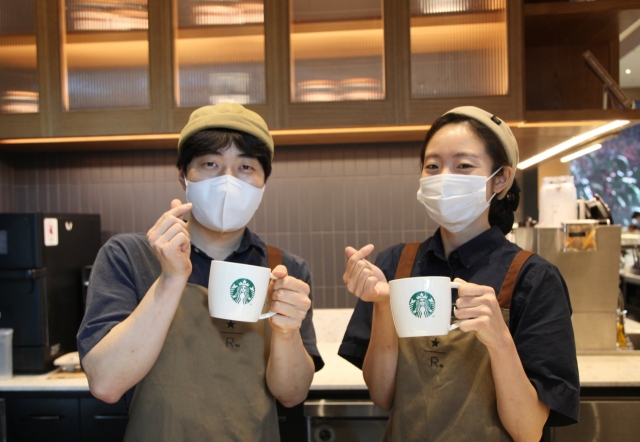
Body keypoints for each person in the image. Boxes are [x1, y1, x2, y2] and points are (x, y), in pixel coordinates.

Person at [77, 103, 323, 441]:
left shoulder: (284, 270)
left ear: (264, 182)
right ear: (182, 175)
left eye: (246, 167)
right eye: (210, 164)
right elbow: (105, 383)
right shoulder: (129, 256)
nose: (228, 181)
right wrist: (171, 279)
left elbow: (292, 394)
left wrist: (285, 332)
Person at [339, 107, 579, 441]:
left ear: (500, 178)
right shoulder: (395, 264)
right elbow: (383, 396)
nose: (443, 177)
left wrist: (499, 340)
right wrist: (382, 305)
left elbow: (528, 430)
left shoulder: (533, 278)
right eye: (432, 166)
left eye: (463, 165)